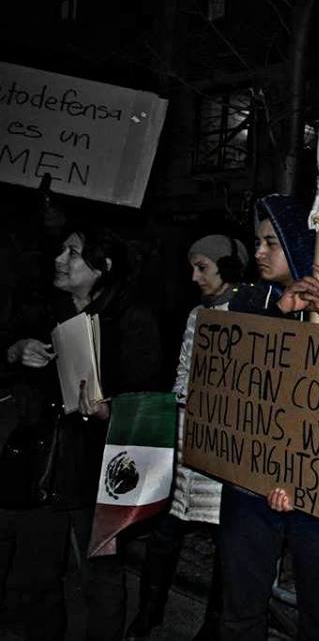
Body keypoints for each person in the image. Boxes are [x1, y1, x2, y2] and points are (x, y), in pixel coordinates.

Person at [218, 194, 319, 641]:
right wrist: (277, 317)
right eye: (257, 241)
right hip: (249, 483)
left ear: (301, 245)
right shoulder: (248, 302)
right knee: (240, 608)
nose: (259, 252)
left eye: (272, 242)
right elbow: (235, 375)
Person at [1, 225, 162, 641]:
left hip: (102, 466)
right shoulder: (43, 308)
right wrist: (16, 350)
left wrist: (113, 409)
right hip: (45, 459)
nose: (59, 259)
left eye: (72, 253)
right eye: (61, 250)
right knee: (37, 569)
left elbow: (150, 395)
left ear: (102, 267)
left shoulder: (133, 317)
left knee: (101, 572)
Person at [125, 234, 249, 640]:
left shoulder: (250, 314)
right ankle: (149, 612)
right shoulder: (197, 313)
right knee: (165, 531)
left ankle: (212, 626)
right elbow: (183, 369)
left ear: (228, 269)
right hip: (185, 440)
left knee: (223, 544)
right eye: (193, 267)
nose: (195, 276)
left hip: (224, 446)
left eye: (203, 268)